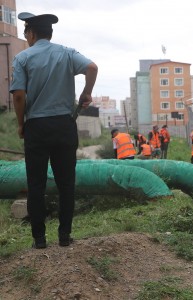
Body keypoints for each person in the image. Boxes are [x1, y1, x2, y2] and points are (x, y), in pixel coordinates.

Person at [9, 12, 98, 249]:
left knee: (35, 184)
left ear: (31, 33)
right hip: (63, 125)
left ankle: (39, 240)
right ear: (50, 33)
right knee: (66, 183)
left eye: (26, 33)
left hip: (36, 127)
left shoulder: (22, 58)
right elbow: (91, 67)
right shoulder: (67, 53)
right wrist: (86, 92)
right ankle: (65, 237)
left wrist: (21, 124)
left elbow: (18, 96)